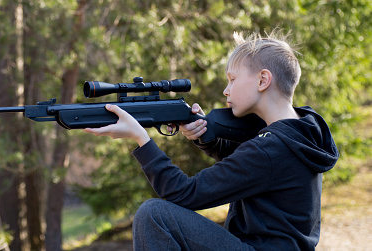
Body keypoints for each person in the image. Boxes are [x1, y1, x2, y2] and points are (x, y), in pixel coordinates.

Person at [83, 31, 339, 251]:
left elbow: (185, 193)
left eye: (232, 79)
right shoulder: (300, 129)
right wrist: (207, 138)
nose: (226, 90)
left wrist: (141, 139)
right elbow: (250, 167)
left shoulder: (269, 148)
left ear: (263, 80)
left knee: (154, 215)